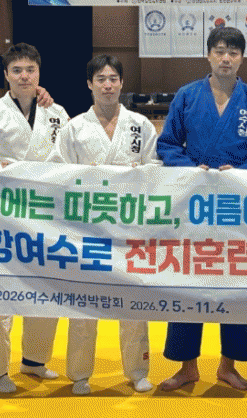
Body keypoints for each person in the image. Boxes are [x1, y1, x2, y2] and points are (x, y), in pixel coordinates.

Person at [156, 26, 247, 391]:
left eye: (233, 53)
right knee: (187, 280)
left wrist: (240, 172)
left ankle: (229, 365)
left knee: (236, 281)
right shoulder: (186, 95)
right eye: (220, 51)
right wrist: (192, 170)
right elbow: (168, 145)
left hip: (235, 205)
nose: (226, 58)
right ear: (208, 55)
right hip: (192, 203)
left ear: (242, 58)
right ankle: (187, 366)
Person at [48, 54, 158, 394]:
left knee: (133, 302)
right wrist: (84, 174)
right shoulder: (74, 128)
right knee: (84, 303)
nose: (107, 85)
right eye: (100, 79)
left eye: (113, 79)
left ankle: (137, 370)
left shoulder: (141, 124)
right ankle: (80, 374)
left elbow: (157, 168)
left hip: (130, 226)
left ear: (122, 83)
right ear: (89, 84)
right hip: (87, 227)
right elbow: (57, 171)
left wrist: (139, 173)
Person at [0, 43, 67, 393]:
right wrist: (3, 171)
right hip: (2, 216)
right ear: (6, 76)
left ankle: (35, 360)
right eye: (17, 71)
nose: (24, 76)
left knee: (45, 290)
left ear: (39, 73)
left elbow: (68, 162)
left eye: (30, 70)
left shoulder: (57, 113)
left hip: (45, 215)